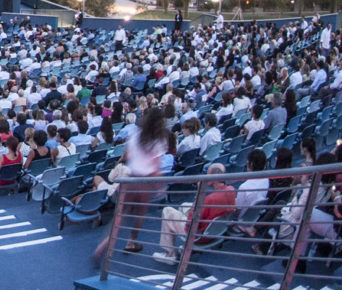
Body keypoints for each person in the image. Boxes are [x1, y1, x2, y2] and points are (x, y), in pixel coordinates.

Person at [94, 107, 170, 261]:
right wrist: (161, 186)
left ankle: (103, 246)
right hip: (145, 182)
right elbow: (155, 166)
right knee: (139, 214)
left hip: (130, 178)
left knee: (120, 216)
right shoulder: (158, 139)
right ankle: (131, 242)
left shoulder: (136, 134)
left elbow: (126, 155)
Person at [152, 163, 236, 265]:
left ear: (214, 178)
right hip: (217, 230)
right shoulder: (231, 190)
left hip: (199, 235)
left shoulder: (209, 200)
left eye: (207, 174)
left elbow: (189, 225)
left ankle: (170, 255)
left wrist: (200, 191)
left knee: (167, 210)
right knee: (184, 205)